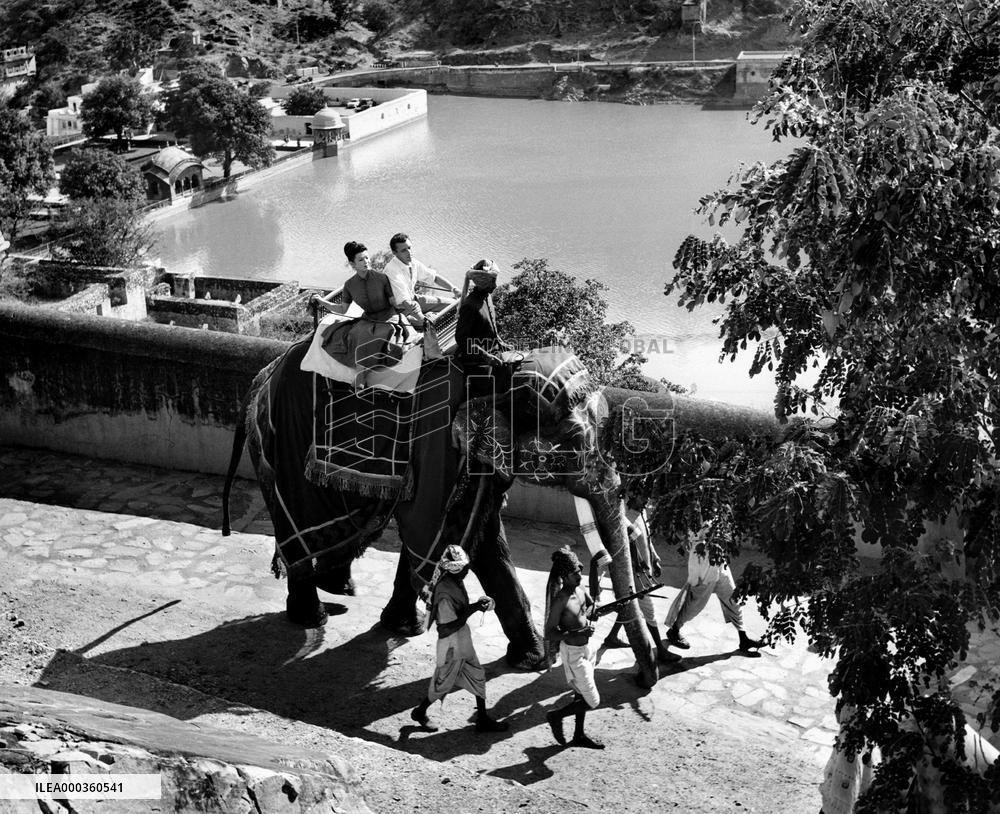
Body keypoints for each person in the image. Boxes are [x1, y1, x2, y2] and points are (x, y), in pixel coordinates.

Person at [410, 544, 509, 733]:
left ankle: (482, 719)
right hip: (451, 646)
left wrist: (476, 605)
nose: (468, 570)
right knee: (442, 684)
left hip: (462, 641)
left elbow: (459, 614)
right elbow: (446, 628)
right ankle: (420, 712)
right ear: (457, 569)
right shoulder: (445, 593)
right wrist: (474, 608)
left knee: (478, 676)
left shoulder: (454, 581)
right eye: (465, 567)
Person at [317, 241, 416, 385]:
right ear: (352, 264)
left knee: (382, 335)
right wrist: (322, 301)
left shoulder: (382, 278)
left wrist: (407, 306)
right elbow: (343, 309)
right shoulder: (349, 285)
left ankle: (361, 377)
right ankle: (361, 373)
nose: (366, 262)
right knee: (356, 335)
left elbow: (394, 302)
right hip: (368, 319)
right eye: (361, 259)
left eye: (367, 258)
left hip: (388, 316)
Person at [663, 518, 763, 654]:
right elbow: (692, 536)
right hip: (702, 563)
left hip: (718, 560)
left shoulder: (719, 506)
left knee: (732, 597)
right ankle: (674, 630)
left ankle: (743, 638)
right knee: (696, 603)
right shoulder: (695, 509)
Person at [543, 546, 606, 749]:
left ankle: (578, 735)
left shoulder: (580, 589)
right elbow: (550, 631)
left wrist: (593, 612)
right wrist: (574, 634)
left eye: (580, 571)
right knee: (592, 700)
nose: (580, 576)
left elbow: (588, 607)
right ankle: (556, 716)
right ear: (565, 576)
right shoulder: (560, 600)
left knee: (580, 694)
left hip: (588, 649)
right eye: (575, 574)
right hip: (573, 654)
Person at [602, 507, 681, 664]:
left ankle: (612, 637)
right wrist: (638, 567)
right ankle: (660, 649)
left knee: (629, 605)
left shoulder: (642, 512)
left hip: (643, 571)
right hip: (635, 574)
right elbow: (626, 547)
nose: (647, 500)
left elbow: (646, 539)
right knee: (649, 612)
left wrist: (655, 558)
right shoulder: (625, 516)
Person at [454, 259, 511, 400]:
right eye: (492, 282)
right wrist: (485, 356)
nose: (495, 285)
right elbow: (461, 338)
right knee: (492, 393)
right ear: (483, 283)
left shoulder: (487, 297)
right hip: (476, 361)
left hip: (493, 352)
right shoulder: (470, 305)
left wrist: (500, 342)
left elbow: (490, 326)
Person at [383, 233, 461, 327]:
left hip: (414, 300)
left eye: (409, 247)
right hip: (401, 310)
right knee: (432, 324)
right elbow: (405, 301)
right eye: (404, 250)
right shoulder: (392, 271)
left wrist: (454, 289)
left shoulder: (412, 262)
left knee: (456, 305)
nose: (409, 252)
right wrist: (423, 320)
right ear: (395, 253)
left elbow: (434, 277)